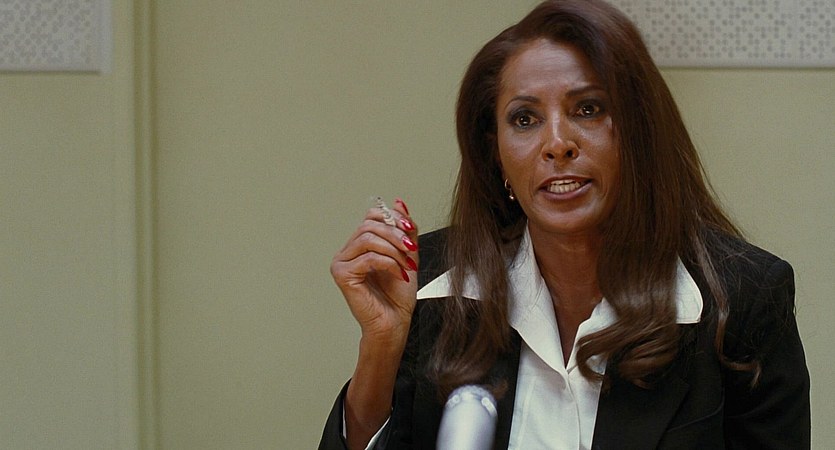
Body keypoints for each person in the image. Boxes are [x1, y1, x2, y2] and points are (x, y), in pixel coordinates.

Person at [319, 0, 811, 448]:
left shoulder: (743, 300)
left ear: (638, 131)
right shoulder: (427, 287)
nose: (557, 143)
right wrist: (381, 347)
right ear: (496, 154)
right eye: (525, 119)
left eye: (588, 110)